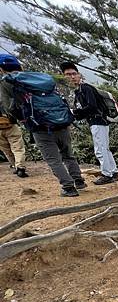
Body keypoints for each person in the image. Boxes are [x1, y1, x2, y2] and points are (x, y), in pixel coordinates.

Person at [0, 55, 85, 197]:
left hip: (40, 127)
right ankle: (79, 181)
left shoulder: (8, 82)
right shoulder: (37, 78)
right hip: (61, 122)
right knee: (68, 155)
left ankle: (69, 187)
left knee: (54, 159)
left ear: (1, 69)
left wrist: (20, 118)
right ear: (20, 66)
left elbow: (9, 107)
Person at [60, 62, 118, 185]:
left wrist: (75, 112)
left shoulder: (86, 88)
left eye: (74, 74)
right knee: (105, 148)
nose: (71, 77)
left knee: (100, 149)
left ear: (79, 75)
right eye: (68, 75)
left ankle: (107, 174)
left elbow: (92, 107)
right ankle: (113, 172)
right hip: (98, 121)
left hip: (98, 121)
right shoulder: (79, 91)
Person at [0, 55, 28, 178]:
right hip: (10, 121)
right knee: (17, 146)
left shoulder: (3, 83)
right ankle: (20, 166)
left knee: (5, 148)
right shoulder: (10, 83)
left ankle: (14, 165)